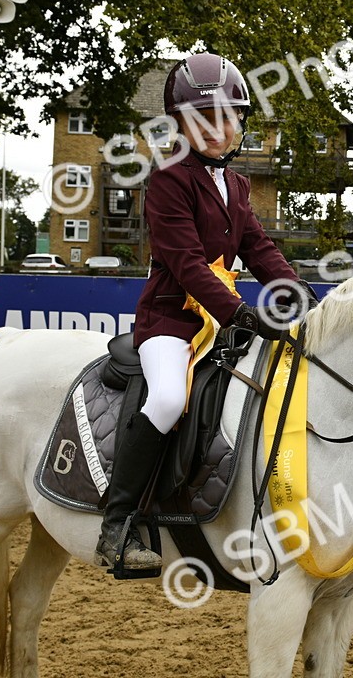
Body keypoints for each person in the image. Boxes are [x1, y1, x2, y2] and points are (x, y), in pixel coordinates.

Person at [96, 53, 314, 573]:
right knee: (169, 398)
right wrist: (240, 313)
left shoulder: (236, 185)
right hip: (170, 320)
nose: (219, 129)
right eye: (204, 119)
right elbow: (186, 263)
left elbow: (259, 248)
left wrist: (294, 291)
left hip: (219, 322)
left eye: (228, 117)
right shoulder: (168, 179)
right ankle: (117, 524)